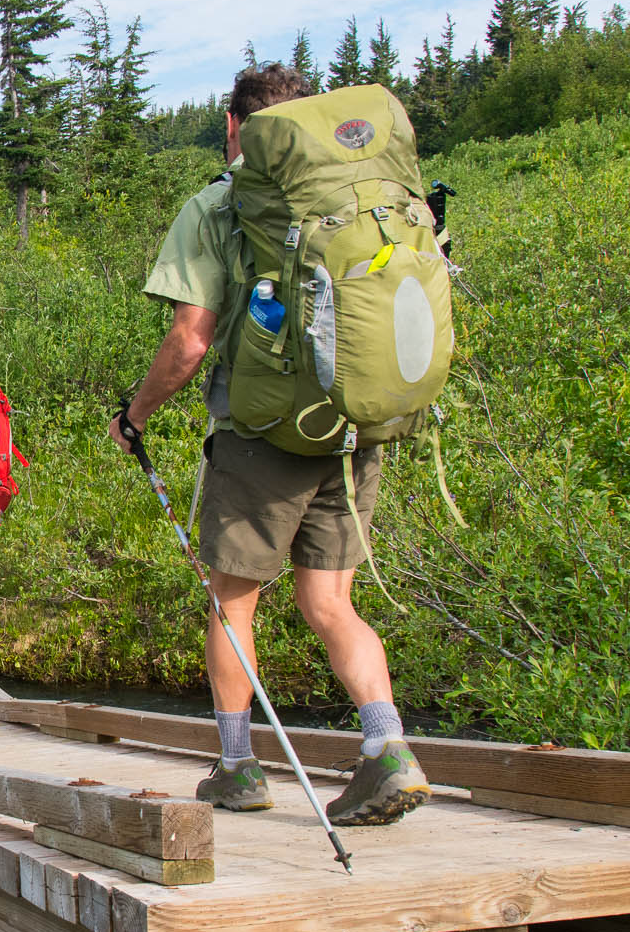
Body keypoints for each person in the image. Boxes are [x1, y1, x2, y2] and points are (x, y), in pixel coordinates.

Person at [110, 62, 430, 826]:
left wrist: (137, 414)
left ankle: (236, 767)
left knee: (231, 604)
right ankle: (389, 751)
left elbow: (191, 342)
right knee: (331, 605)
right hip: (354, 427)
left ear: (234, 128)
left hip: (261, 437)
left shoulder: (220, 206)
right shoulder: (355, 197)